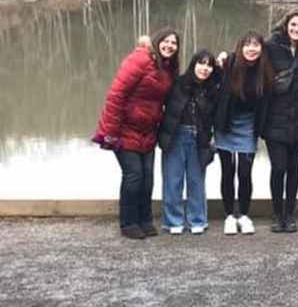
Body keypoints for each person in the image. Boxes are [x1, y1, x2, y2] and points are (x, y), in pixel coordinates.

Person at [93, 28, 180, 239]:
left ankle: (145, 219)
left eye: (174, 43)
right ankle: (128, 222)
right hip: (124, 129)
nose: (169, 46)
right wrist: (111, 133)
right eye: (166, 41)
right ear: (157, 41)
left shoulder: (168, 68)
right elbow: (116, 94)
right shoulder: (140, 60)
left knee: (147, 177)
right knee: (133, 176)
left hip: (148, 131)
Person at [263, 10, 298, 233]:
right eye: (293, 25)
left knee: (294, 168)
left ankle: (290, 214)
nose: (297, 29)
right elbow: (252, 59)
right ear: (286, 26)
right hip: (276, 117)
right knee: (278, 168)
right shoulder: (271, 45)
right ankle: (277, 214)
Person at [214, 31, 274, 235]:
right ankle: (229, 215)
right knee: (227, 172)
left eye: (256, 45)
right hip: (226, 126)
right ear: (240, 47)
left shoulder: (265, 69)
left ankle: (245, 215)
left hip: (249, 127)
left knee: (245, 173)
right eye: (247, 44)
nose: (252, 48)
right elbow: (209, 80)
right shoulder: (229, 63)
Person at [158, 49, 220, 235]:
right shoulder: (178, 82)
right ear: (193, 64)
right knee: (172, 181)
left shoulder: (213, 89)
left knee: (196, 181)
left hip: (199, 139)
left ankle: (197, 220)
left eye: (209, 65)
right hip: (175, 136)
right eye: (201, 63)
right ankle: (173, 220)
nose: (205, 68)